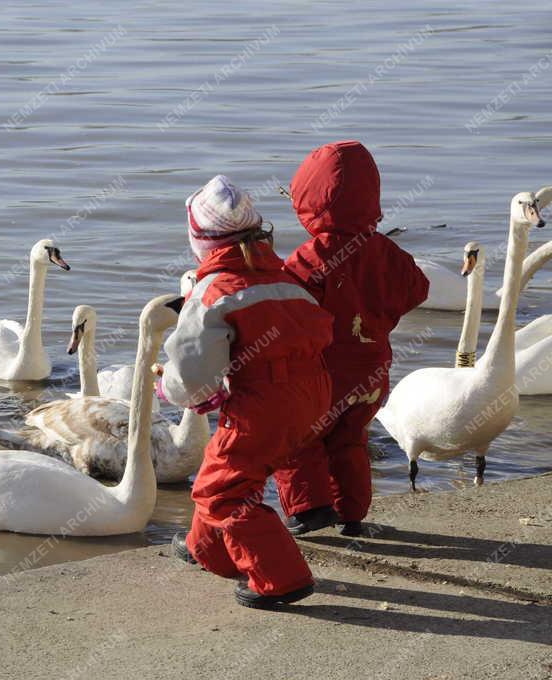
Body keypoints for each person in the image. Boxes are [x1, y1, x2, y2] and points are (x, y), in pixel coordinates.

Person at [158, 174, 334, 609]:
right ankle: (206, 549)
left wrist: (174, 389)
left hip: (265, 404)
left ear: (200, 239)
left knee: (223, 492)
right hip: (313, 396)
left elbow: (192, 377)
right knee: (225, 468)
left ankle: (279, 578)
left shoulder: (213, 292)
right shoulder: (287, 280)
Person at [273, 141, 430, 538]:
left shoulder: (311, 258)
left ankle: (310, 508)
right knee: (350, 439)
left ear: (308, 199)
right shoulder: (387, 253)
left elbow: (287, 308)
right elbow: (418, 289)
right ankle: (352, 513)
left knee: (295, 435)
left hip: (322, 377)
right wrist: (380, 316)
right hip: (372, 374)